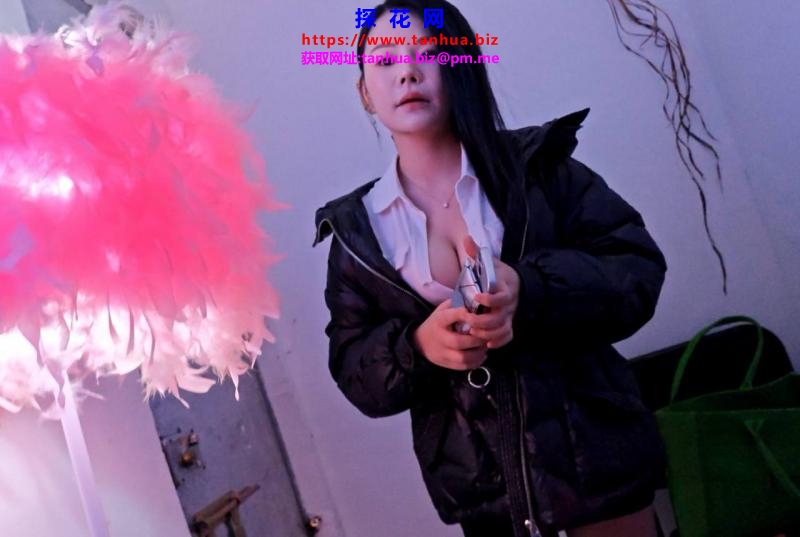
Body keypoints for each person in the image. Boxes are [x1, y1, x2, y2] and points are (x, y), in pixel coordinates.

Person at [312, 1, 667, 536]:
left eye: (428, 53)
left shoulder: (539, 169)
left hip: (601, 472)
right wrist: (420, 348)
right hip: (488, 501)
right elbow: (354, 371)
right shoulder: (356, 234)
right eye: (384, 61)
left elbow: (636, 269)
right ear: (365, 91)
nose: (407, 71)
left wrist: (532, 289)